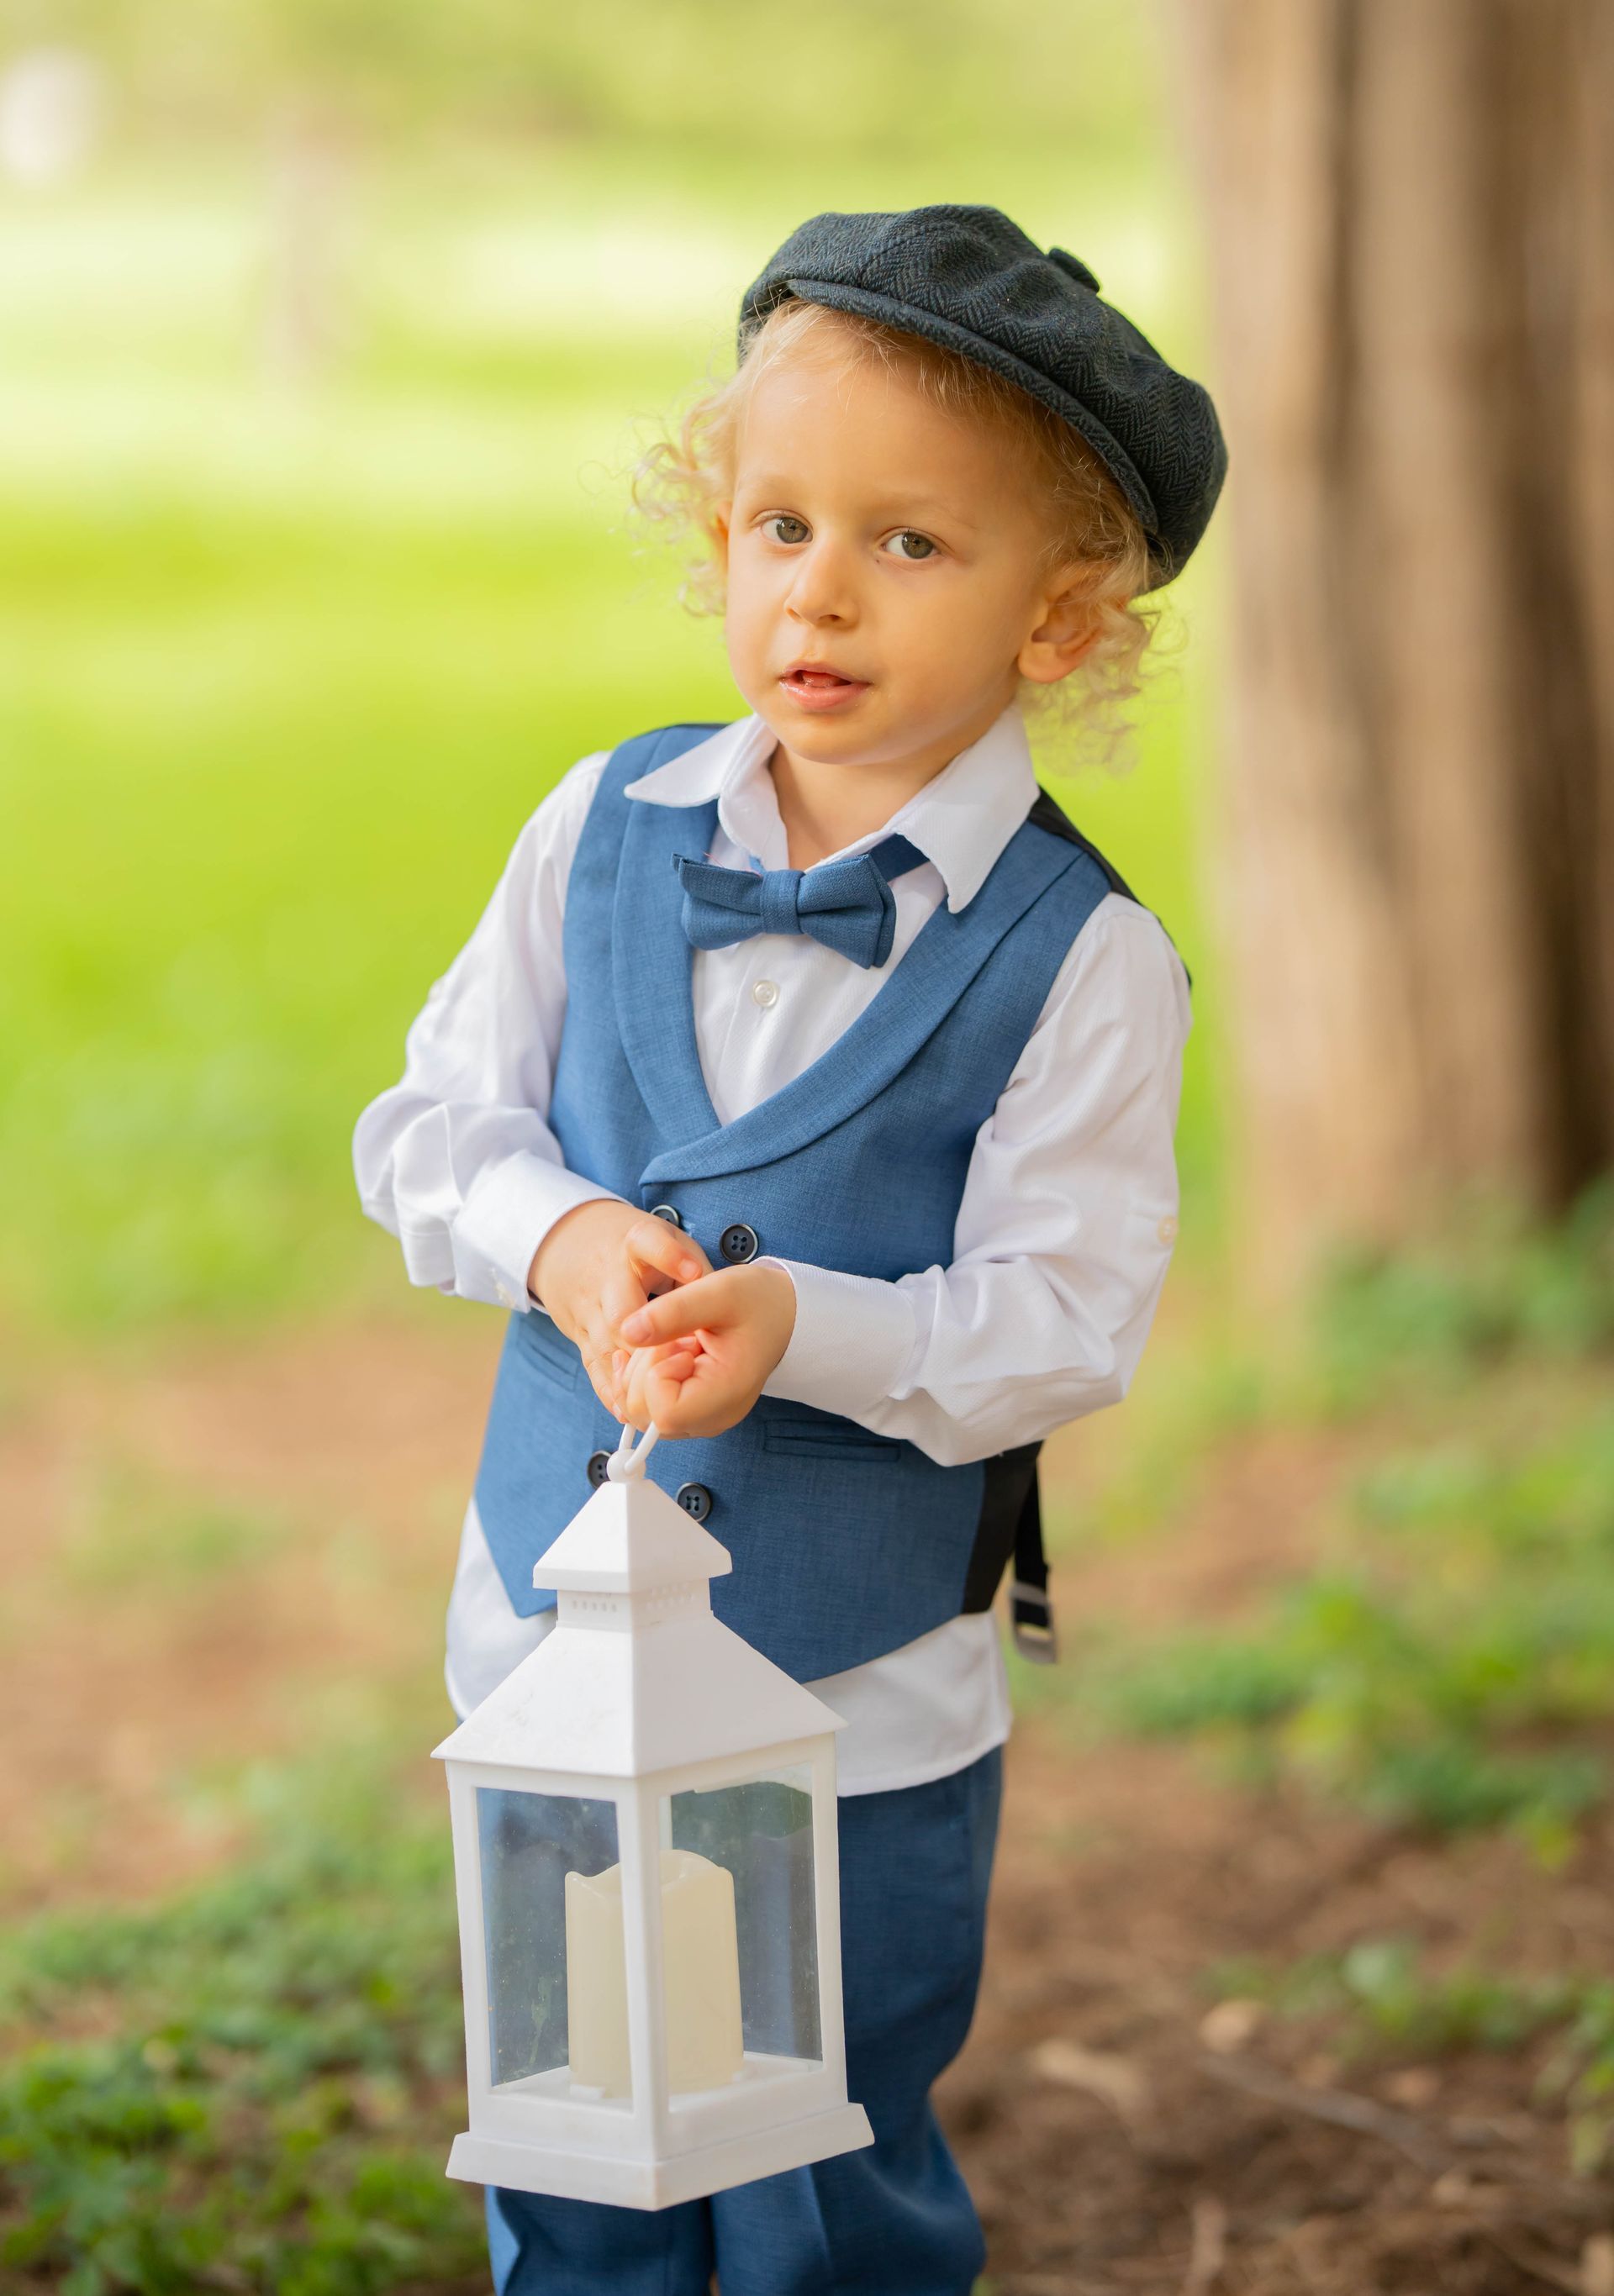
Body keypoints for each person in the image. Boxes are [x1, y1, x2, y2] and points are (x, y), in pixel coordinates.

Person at [353, 203, 1226, 2296]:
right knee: (571, 2111)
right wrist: (567, 1238)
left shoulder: (1082, 959)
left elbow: (1061, 1320)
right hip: (555, 1656)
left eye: (908, 542)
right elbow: (432, 1130)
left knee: (826, 2139)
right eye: (779, 526)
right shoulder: (598, 827)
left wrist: (804, 1326)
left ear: (1061, 621)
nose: (818, 589)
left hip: (861, 1703)